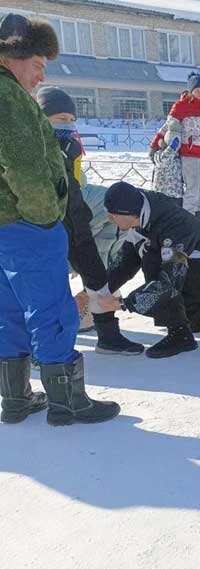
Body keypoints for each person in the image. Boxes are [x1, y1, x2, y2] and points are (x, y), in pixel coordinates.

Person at [0, 12, 120, 426]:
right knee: (51, 309)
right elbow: (25, 167)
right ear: (11, 57)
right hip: (26, 225)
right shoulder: (9, 98)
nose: (38, 78)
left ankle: (15, 398)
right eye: (36, 66)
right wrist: (47, 217)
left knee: (9, 310)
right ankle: (68, 402)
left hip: (3, 226)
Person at [37, 85, 143, 355]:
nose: (69, 125)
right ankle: (45, 350)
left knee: (97, 261)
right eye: (61, 119)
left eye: (72, 119)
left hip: (74, 214)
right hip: (45, 221)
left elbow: (76, 185)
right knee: (49, 277)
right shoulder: (34, 144)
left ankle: (103, 327)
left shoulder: (68, 145)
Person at [103, 182, 200, 359]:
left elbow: (169, 281)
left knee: (153, 261)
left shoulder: (173, 224)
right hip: (199, 270)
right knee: (194, 322)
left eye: (112, 214)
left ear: (127, 212)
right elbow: (124, 264)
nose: (109, 219)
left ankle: (180, 335)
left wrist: (124, 304)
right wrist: (94, 291)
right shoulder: (140, 217)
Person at [149, 73, 200, 226]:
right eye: (197, 89)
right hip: (190, 155)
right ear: (191, 91)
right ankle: (188, 219)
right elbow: (168, 127)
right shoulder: (181, 106)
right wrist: (154, 145)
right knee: (192, 189)